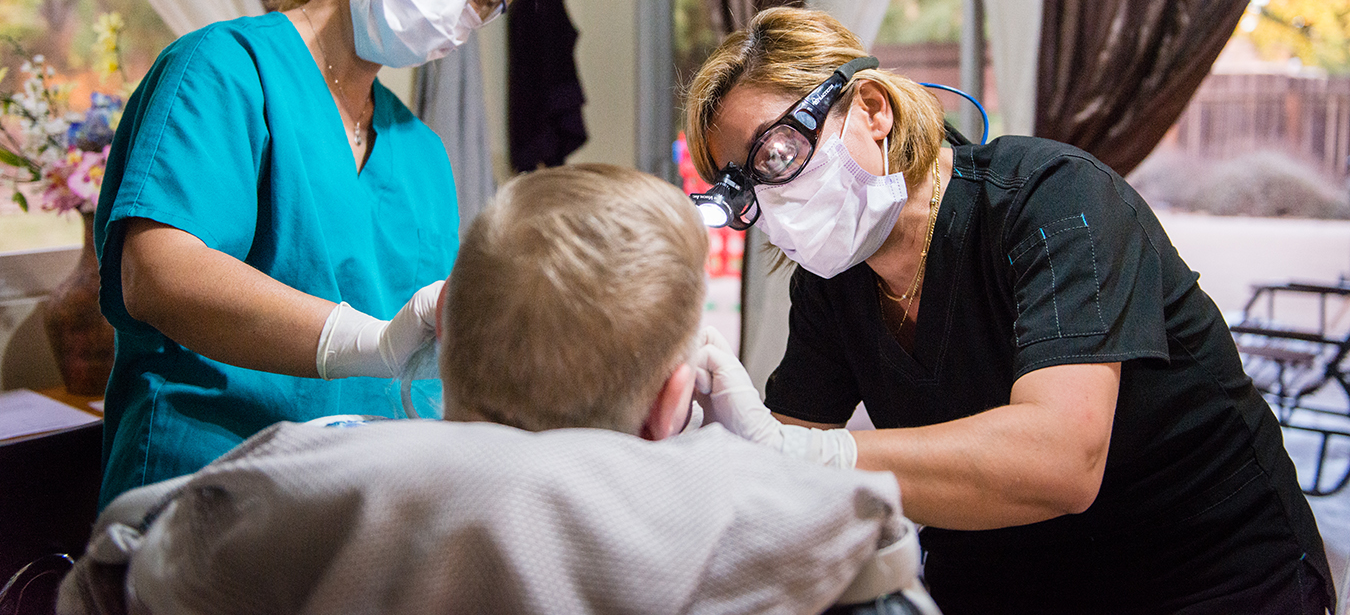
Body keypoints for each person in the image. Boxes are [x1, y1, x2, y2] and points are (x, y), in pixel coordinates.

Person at [684, 6, 1334, 615]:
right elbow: (783, 463)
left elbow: (1061, 461)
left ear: (872, 109)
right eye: (743, 185)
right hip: (1007, 573)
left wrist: (812, 455)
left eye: (776, 154)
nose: (770, 201)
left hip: (1205, 570)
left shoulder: (1053, 200)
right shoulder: (833, 284)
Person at [59, 165, 919, 615]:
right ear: (674, 402)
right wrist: (776, 455)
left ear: (438, 353)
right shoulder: (792, 533)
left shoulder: (271, 496)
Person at [92, 0, 544, 508]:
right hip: (208, 490)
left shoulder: (419, 151)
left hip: (364, 509)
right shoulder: (223, 70)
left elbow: (434, 354)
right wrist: (373, 344)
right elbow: (161, 277)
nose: (455, 0)